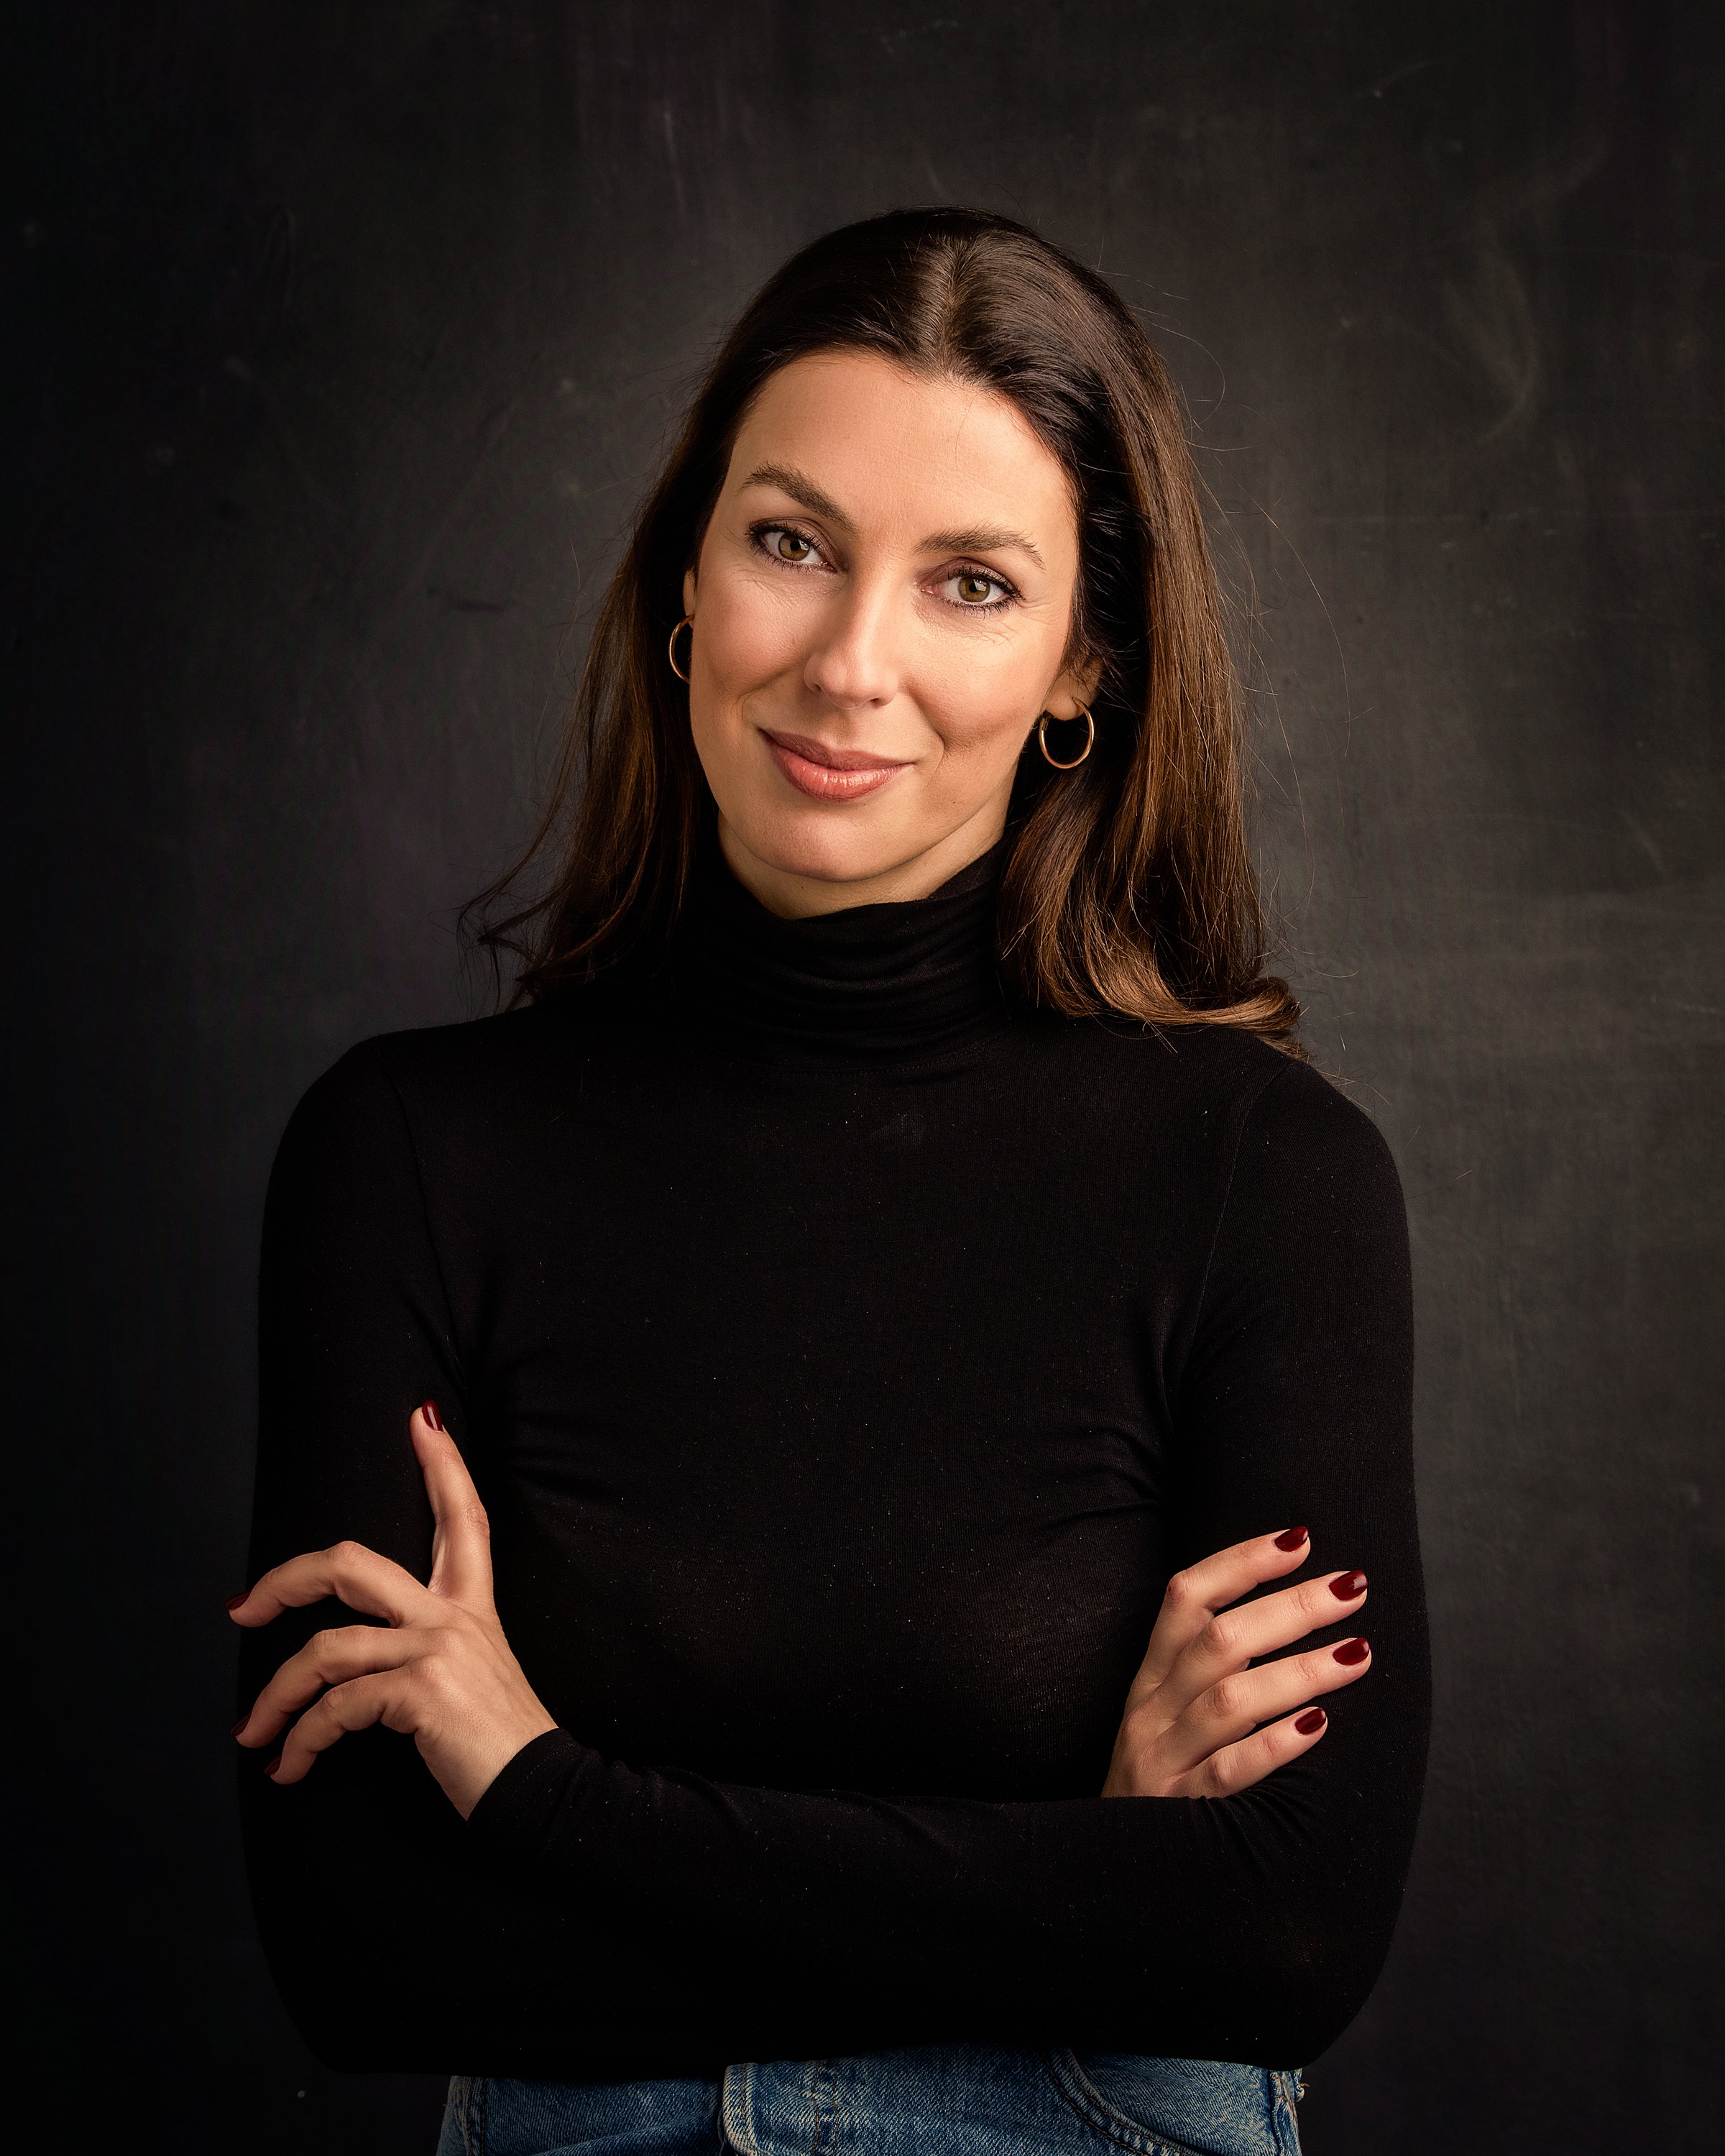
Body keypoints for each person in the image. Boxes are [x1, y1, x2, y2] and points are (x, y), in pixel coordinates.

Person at [229, 208, 1429, 2156]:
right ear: (690, 579)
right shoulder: (414, 1154)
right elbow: (365, 1955)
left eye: (970, 583)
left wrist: (542, 1796)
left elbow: (1289, 1934)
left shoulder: (1263, 1176)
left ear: (1081, 672)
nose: (852, 664)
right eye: (792, 540)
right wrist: (1081, 1884)